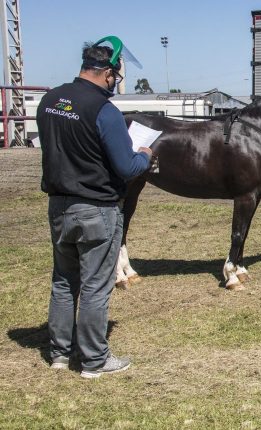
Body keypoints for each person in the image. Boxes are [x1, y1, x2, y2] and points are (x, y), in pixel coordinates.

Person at [37, 36, 152, 377]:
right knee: (94, 286)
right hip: (96, 208)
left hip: (59, 205)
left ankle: (59, 352)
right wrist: (145, 156)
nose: (115, 82)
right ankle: (94, 360)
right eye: (116, 76)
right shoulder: (105, 111)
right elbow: (127, 168)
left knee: (63, 281)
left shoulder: (49, 100)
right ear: (107, 73)